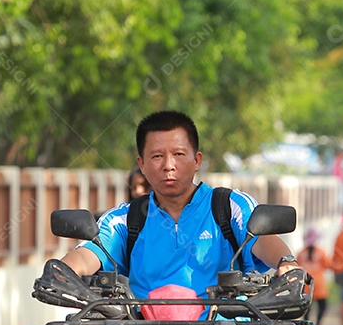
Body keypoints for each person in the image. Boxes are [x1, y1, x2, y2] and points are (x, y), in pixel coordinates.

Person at [60, 110, 300, 298]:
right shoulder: (124, 219)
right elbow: (88, 253)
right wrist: (62, 271)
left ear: (197, 160)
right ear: (141, 164)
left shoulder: (229, 207)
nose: (168, 165)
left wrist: (287, 263)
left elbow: (261, 239)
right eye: (156, 156)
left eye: (178, 154)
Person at [296, 227, 330, 325]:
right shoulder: (321, 252)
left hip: (306, 284)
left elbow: (297, 267)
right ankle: (318, 323)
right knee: (323, 306)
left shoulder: (301, 253)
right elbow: (327, 264)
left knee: (307, 307)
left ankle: (307, 324)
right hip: (319, 284)